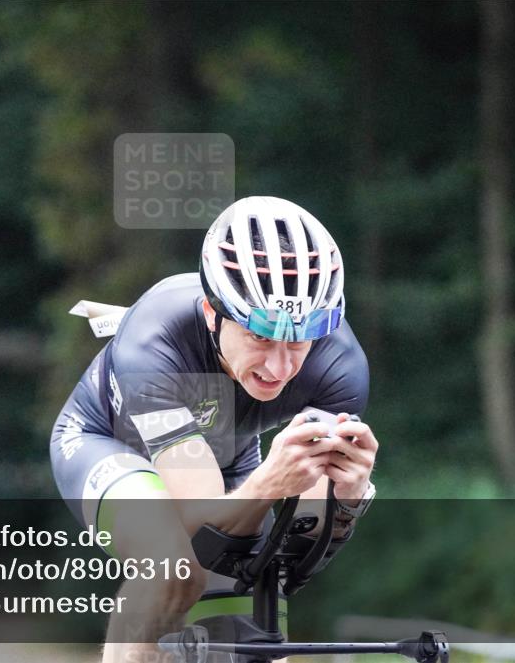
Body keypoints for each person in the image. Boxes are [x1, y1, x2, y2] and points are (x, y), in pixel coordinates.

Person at [50, 196, 379, 662]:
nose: (280, 366)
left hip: (227, 455)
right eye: (260, 336)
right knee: (172, 567)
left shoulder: (340, 366)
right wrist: (268, 483)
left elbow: (292, 563)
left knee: (259, 625)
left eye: (300, 339)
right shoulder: (154, 338)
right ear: (211, 312)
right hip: (109, 443)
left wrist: (345, 500)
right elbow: (198, 532)